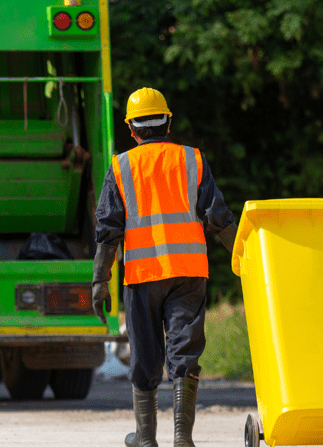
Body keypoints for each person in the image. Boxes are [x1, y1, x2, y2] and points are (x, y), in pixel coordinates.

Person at [91, 87, 237, 447]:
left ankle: (144, 437)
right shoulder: (192, 160)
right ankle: (182, 438)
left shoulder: (120, 166)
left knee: (145, 354)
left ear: (132, 129)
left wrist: (99, 280)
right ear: (168, 123)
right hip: (189, 272)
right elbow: (217, 217)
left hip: (141, 276)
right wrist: (243, 259)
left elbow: (109, 231)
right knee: (184, 350)